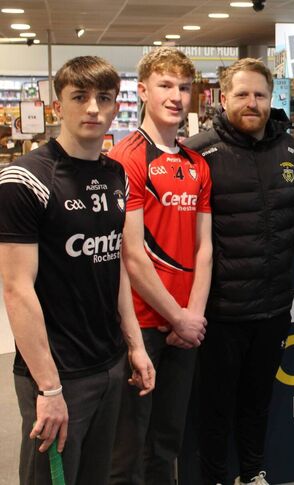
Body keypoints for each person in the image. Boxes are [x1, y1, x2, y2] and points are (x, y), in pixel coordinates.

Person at [0, 56, 154, 485]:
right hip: (58, 375)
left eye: (103, 98)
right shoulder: (25, 179)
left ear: (115, 105)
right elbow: (16, 290)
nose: (93, 109)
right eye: (80, 97)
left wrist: (135, 346)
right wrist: (48, 388)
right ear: (57, 107)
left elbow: (115, 263)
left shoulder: (116, 175)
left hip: (109, 364)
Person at [184, 57, 294, 485]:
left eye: (259, 94)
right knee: (216, 407)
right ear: (224, 99)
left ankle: (253, 472)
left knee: (259, 401)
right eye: (241, 93)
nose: (251, 102)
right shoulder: (199, 152)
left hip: (274, 305)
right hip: (220, 311)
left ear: (271, 98)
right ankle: (215, 478)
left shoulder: (293, 149)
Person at [109, 47, 212, 484]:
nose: (176, 96)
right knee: (128, 450)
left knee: (167, 442)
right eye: (166, 86)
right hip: (142, 325)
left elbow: (205, 249)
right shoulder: (125, 159)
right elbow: (131, 255)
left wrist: (193, 317)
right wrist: (177, 316)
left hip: (185, 326)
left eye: (184, 88)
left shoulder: (197, 165)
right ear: (143, 90)